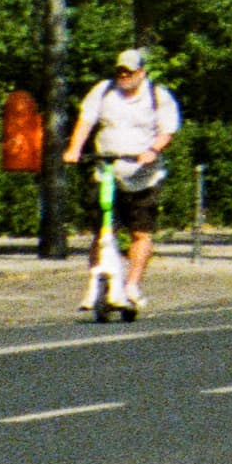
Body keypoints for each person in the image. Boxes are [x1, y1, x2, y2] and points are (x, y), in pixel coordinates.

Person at [66, 48, 180, 309]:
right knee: (103, 231)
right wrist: (74, 148)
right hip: (107, 172)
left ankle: (132, 284)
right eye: (121, 71)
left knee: (140, 232)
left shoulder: (157, 96)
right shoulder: (104, 91)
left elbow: (167, 130)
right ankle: (94, 286)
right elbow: (86, 120)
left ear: (142, 72)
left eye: (130, 71)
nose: (124, 76)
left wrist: (152, 151)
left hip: (143, 177)